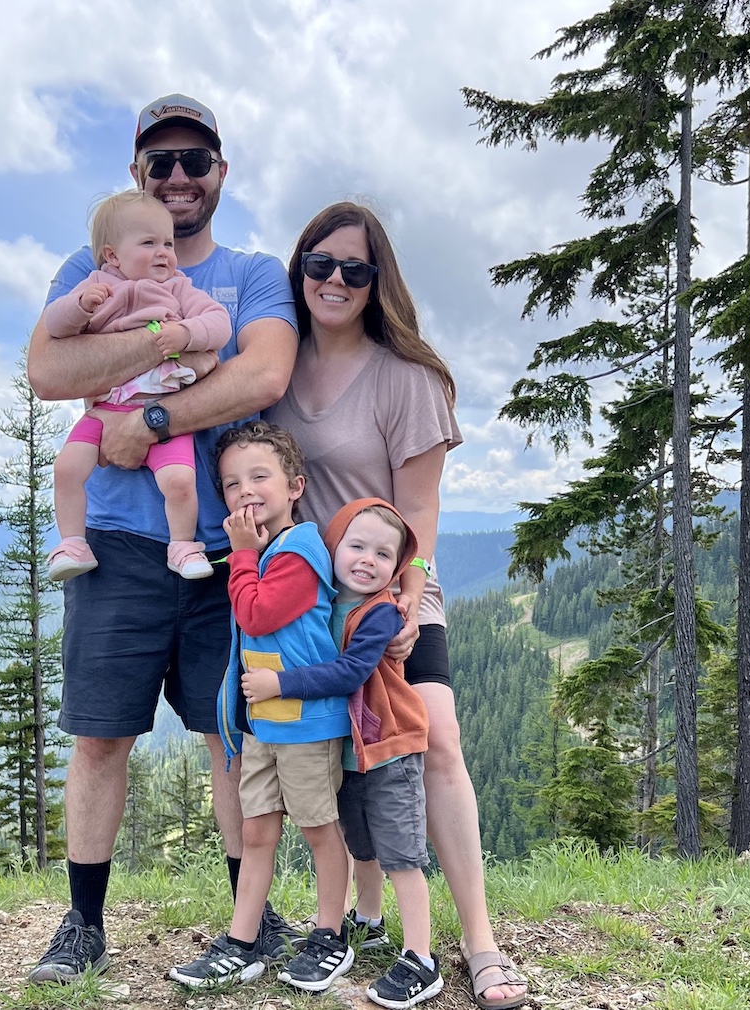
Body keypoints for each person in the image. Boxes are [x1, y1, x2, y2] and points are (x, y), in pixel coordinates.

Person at [25, 93, 299, 984]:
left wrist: (147, 413)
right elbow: (49, 370)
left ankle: (250, 916)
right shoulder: (91, 262)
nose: (177, 178)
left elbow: (263, 370)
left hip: (230, 549)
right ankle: (82, 923)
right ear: (139, 174)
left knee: (233, 737)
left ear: (220, 172)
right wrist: (166, 345)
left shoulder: (256, 272)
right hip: (111, 540)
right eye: (161, 163)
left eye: (194, 161)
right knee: (100, 735)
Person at [265, 202, 529, 1009]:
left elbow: (419, 521)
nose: (335, 280)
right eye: (321, 263)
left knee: (434, 741)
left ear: (378, 282)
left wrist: (406, 605)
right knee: (328, 758)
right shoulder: (273, 367)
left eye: (354, 268)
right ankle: (347, 919)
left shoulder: (405, 379)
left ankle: (478, 942)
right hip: (307, 606)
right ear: (300, 267)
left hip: (391, 594)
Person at [170, 420, 353, 992]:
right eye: (230, 484)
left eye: (259, 477)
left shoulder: (300, 549)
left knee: (320, 828)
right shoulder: (262, 550)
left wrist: (243, 555)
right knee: (255, 833)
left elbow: (258, 615)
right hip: (263, 725)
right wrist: (247, 555)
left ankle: (330, 936)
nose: (245, 490)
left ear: (294, 487)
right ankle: (243, 940)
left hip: (308, 721)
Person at [262, 497, 444, 1007]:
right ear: (333, 547)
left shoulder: (381, 612)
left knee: (401, 853)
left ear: (396, 567)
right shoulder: (323, 599)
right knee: (358, 841)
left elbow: (349, 673)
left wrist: (281, 683)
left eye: (383, 555)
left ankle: (420, 957)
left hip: (388, 746)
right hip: (349, 750)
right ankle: (368, 920)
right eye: (356, 546)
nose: (367, 560)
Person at [44, 191, 231, 582]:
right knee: (67, 469)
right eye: (149, 243)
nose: (164, 252)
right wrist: (79, 306)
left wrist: (186, 333)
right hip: (106, 410)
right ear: (112, 256)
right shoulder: (96, 286)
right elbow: (54, 327)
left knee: (179, 481)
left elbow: (218, 323)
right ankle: (73, 542)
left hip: (163, 406)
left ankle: (182, 545)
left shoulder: (178, 289)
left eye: (168, 243)